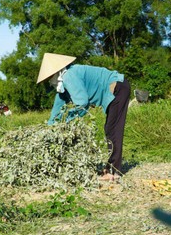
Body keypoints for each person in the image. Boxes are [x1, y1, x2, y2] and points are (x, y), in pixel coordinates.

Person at [37, 53, 131, 181]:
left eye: (49, 77)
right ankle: (111, 168)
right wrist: (49, 128)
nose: (49, 81)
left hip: (117, 86)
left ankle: (114, 171)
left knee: (112, 129)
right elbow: (56, 110)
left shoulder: (69, 76)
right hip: (117, 87)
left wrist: (66, 123)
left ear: (55, 73)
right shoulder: (62, 84)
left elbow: (82, 102)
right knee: (110, 128)